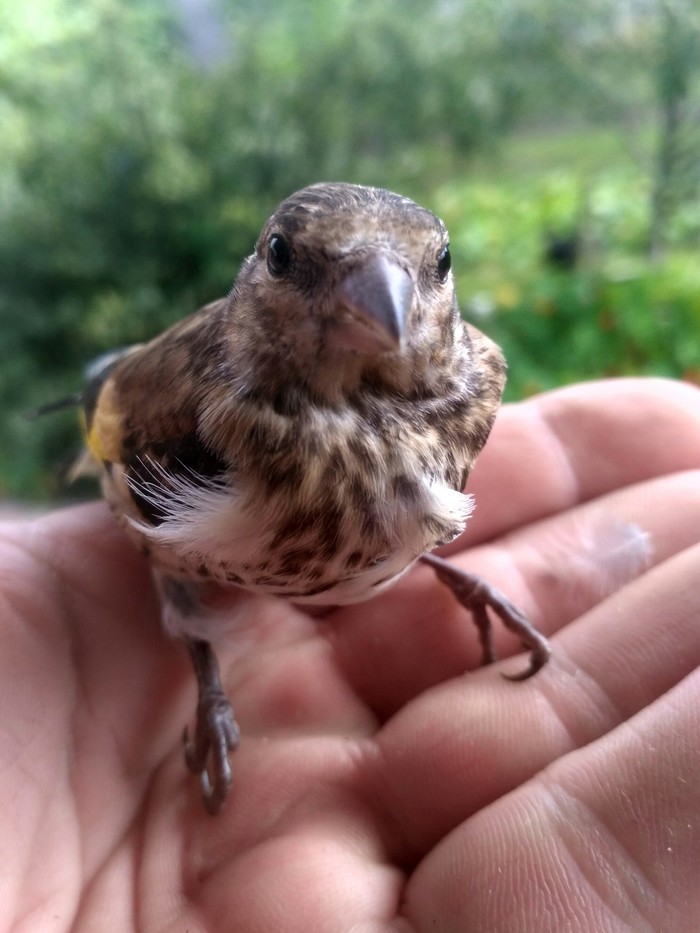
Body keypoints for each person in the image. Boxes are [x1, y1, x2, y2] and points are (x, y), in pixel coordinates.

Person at [1, 378, 699, 931]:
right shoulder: (207, 422)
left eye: (430, 267)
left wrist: (440, 564)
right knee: (191, 614)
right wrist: (211, 694)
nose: (372, 303)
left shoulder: (471, 378)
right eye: (290, 260)